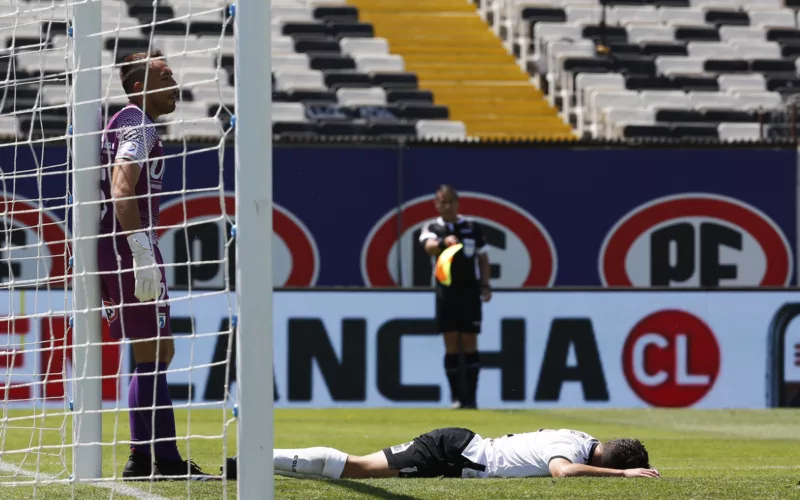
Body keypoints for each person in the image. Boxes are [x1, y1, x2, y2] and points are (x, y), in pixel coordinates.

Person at [98, 50, 213, 480]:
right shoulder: (137, 124)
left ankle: (142, 458)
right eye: (164, 77)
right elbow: (121, 186)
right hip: (130, 247)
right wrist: (141, 250)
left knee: (156, 350)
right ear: (138, 87)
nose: (174, 84)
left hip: (117, 247)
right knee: (153, 351)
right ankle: (164, 460)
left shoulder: (125, 123)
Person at [222, 427, 659, 480]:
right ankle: (254, 460)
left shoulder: (582, 437)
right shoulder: (570, 451)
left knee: (356, 471)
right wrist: (622, 479)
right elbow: (563, 473)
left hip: (461, 457)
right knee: (356, 467)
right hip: (458, 452)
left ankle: (256, 466)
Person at [418, 185, 491, 409]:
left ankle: (471, 399)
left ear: (458, 203)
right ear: (436, 204)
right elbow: (429, 247)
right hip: (446, 292)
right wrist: (442, 243)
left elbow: (483, 257)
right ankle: (456, 397)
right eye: (443, 202)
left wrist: (485, 285)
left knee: (469, 342)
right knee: (451, 343)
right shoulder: (432, 227)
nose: (447, 205)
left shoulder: (472, 227)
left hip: (469, 292)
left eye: (451, 201)